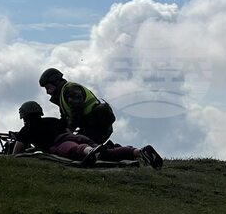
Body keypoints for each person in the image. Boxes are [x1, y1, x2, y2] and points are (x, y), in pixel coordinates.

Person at [10, 101, 164, 169]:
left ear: (24, 116)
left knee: (76, 150)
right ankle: (138, 151)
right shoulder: (53, 120)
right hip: (76, 137)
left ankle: (90, 152)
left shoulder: (27, 129)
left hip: (60, 144)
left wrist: (26, 145)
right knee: (106, 153)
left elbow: (16, 153)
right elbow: (68, 132)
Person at [38, 67, 116, 143]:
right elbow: (64, 120)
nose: (47, 92)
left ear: (56, 82)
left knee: (80, 145)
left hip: (98, 124)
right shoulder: (62, 97)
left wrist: (69, 129)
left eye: (48, 88)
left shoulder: (70, 89)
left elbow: (77, 111)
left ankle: (115, 149)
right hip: (90, 126)